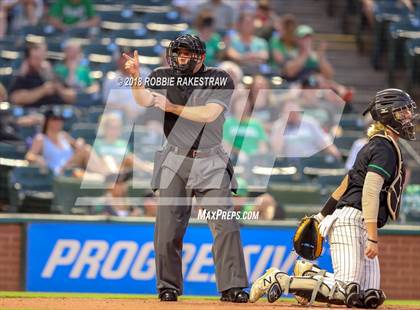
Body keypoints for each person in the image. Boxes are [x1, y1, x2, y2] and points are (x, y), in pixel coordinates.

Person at [249, 88, 418, 308]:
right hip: (353, 220)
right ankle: (280, 280)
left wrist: (321, 216)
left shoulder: (381, 144)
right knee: (347, 291)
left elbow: (346, 183)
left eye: (407, 110)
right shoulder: (383, 147)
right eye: (401, 111)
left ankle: (309, 274)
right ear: (386, 115)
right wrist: (373, 238)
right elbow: (369, 193)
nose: (407, 116)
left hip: (358, 219)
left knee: (369, 297)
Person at [123, 34, 249, 302]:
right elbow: (144, 100)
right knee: (167, 230)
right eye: (177, 53)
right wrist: (135, 77)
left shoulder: (220, 77)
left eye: (185, 54)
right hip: (174, 158)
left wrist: (172, 107)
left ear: (200, 57)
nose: (180, 57)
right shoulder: (162, 74)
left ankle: (232, 287)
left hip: (210, 158)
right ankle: (167, 286)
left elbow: (209, 114)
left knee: (225, 226)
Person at [25, 107, 105, 176]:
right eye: (55, 119)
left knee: (88, 150)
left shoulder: (64, 136)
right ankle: (105, 176)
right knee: (86, 150)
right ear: (47, 121)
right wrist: (38, 159)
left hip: (71, 168)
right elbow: (29, 155)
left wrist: (80, 141)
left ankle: (104, 175)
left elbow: (78, 145)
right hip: (56, 171)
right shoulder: (41, 138)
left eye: (60, 120)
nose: (58, 122)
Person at [9, 42, 76, 108]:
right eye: (36, 58)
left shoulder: (53, 75)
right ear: (28, 59)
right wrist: (42, 90)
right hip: (34, 113)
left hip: (57, 112)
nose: (40, 61)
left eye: (42, 57)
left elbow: (72, 97)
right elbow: (15, 98)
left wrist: (59, 89)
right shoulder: (24, 77)